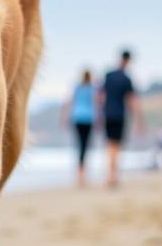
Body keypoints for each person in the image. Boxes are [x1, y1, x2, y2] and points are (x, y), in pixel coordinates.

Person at [98, 49, 144, 188]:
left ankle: (110, 175)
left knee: (110, 146)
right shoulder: (126, 79)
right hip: (119, 115)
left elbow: (100, 97)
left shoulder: (108, 75)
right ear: (128, 61)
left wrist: (100, 113)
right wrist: (138, 120)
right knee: (116, 146)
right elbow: (132, 100)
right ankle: (113, 176)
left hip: (108, 114)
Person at [61, 69, 96, 186]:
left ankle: (79, 174)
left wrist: (64, 117)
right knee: (85, 146)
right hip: (88, 119)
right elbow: (96, 104)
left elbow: (69, 102)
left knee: (80, 145)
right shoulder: (92, 89)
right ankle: (82, 175)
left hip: (77, 118)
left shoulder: (77, 87)